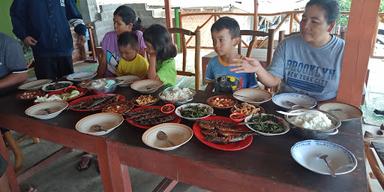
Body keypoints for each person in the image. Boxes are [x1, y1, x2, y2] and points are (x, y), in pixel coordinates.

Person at [230, 0, 344, 101]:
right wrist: (259, 69)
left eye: (314, 21)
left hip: (322, 112)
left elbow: (353, 95)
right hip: (285, 106)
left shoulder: (343, 52)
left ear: (330, 26)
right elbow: (273, 80)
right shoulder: (287, 45)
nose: (305, 26)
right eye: (304, 19)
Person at [10, 0, 87, 80]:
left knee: (69, 83)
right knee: (46, 85)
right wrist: (24, 36)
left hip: (64, 46)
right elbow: (16, 15)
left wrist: (81, 32)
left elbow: (74, 16)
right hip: (41, 48)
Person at [205, 17, 257, 93]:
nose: (216, 45)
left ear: (235, 41)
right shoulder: (212, 62)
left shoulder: (246, 65)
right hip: (218, 102)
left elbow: (253, 91)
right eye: (214, 40)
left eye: (221, 40)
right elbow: (210, 85)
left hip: (241, 103)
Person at [97, 5, 146, 77]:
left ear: (129, 26)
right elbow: (103, 62)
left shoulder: (138, 36)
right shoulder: (108, 37)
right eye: (114, 22)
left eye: (119, 23)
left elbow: (142, 62)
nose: (115, 26)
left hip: (134, 79)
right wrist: (98, 80)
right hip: (111, 80)